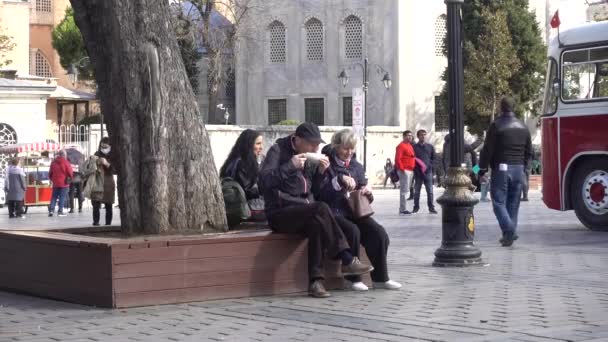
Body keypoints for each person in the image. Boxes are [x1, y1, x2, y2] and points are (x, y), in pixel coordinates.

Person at [259, 122, 373, 298]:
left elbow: (316, 190)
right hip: (280, 212)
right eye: (312, 144)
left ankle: (316, 282)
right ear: (297, 140)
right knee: (320, 209)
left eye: (318, 144)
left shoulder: (311, 157)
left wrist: (321, 172)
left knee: (317, 223)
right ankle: (347, 258)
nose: (316, 147)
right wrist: (290, 165)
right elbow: (264, 182)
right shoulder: (278, 151)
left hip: (305, 210)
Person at [319, 129, 402, 291]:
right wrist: (338, 181)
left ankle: (380, 278)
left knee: (379, 233)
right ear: (336, 147)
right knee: (353, 231)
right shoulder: (327, 165)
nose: (349, 152)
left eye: (352, 148)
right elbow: (320, 192)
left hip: (355, 211)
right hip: (334, 212)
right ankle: (353, 279)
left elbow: (364, 193)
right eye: (345, 148)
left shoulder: (357, 166)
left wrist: (368, 191)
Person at [479, 97, 532, 247]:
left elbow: (487, 150)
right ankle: (508, 236)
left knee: (498, 202)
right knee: (513, 204)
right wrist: (525, 169)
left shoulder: (496, 125)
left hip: (502, 168)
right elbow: (529, 151)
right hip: (519, 169)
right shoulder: (523, 126)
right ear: (513, 107)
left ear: (500, 108)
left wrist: (481, 169)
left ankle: (509, 231)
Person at [219, 129, 265, 222]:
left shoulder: (234, 161)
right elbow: (250, 190)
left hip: (240, 208)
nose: (261, 147)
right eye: (258, 143)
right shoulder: (242, 164)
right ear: (248, 145)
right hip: (246, 210)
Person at [92, 137, 116, 226]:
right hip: (97, 181)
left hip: (108, 183)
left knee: (108, 205)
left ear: (110, 146)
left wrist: (107, 164)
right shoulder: (96, 154)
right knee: (96, 204)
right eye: (102, 146)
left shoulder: (112, 156)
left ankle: (108, 224)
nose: (104, 149)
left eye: (106, 147)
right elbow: (90, 167)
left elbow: (115, 170)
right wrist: (96, 163)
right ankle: (96, 222)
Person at [412, 129, 437, 214]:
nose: (423, 136)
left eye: (424, 135)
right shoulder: (414, 147)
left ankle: (431, 208)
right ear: (418, 136)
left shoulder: (430, 147)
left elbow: (434, 159)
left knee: (430, 192)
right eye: (421, 135)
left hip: (428, 172)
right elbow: (412, 160)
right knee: (417, 191)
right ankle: (416, 208)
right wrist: (416, 169)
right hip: (418, 173)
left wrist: (430, 167)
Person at [395, 130, 416, 215]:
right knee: (404, 190)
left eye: (411, 136)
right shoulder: (400, 146)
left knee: (407, 190)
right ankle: (402, 209)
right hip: (404, 171)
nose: (410, 137)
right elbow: (397, 159)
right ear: (403, 136)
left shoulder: (410, 146)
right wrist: (402, 169)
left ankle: (404, 208)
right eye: (407, 135)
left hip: (410, 170)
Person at [48, 150, 73, 217]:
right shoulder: (66, 162)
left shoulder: (53, 163)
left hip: (55, 183)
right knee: (62, 197)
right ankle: (60, 211)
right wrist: (70, 178)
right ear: (64, 155)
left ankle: (51, 211)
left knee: (54, 197)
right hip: (64, 183)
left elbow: (50, 173)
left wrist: (52, 179)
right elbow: (70, 173)